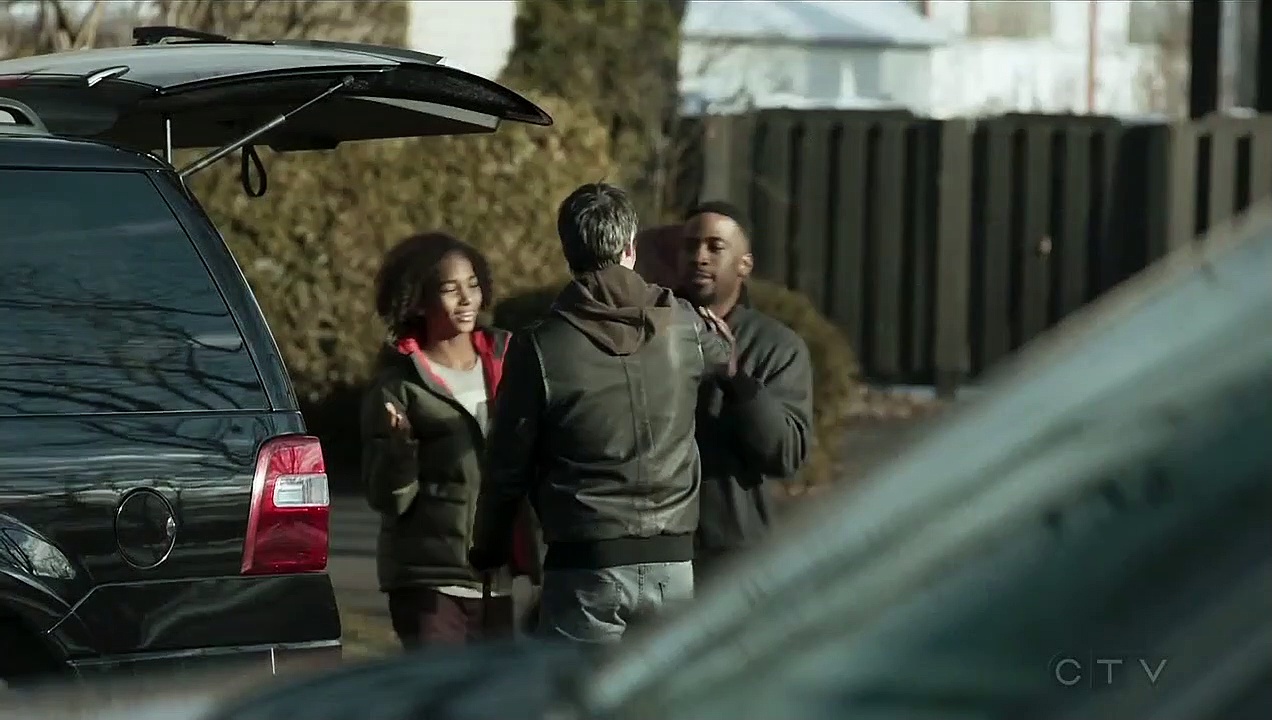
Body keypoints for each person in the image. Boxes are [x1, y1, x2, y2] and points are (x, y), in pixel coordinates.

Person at [468, 183, 734, 644]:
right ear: (631, 246)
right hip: (673, 556)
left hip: (585, 561)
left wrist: (488, 548)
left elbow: (507, 465)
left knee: (578, 686)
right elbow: (723, 358)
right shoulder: (683, 327)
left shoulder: (541, 346)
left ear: (567, 252)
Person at [360, 231, 539, 648]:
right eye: (449, 289)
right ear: (419, 302)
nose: (466, 299)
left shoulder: (508, 359)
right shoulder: (398, 386)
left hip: (496, 577)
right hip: (431, 582)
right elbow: (387, 499)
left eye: (472, 285)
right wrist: (400, 451)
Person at [677, 201, 815, 580]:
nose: (699, 257)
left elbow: (785, 453)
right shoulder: (647, 331)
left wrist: (736, 380)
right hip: (649, 552)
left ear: (744, 264)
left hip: (731, 556)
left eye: (715, 247)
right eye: (690, 246)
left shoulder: (776, 347)